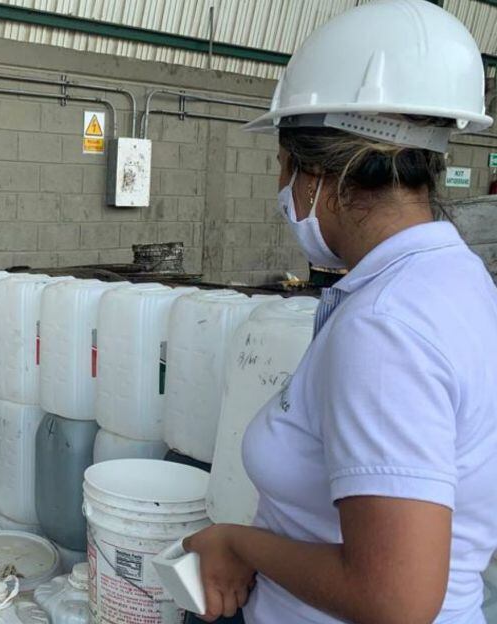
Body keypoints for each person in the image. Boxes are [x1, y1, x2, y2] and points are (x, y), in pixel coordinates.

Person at [183, 1, 497, 623]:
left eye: (280, 164)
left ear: (316, 173)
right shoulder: (454, 279)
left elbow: (396, 598)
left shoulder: (387, 327)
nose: (281, 188)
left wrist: (239, 543)